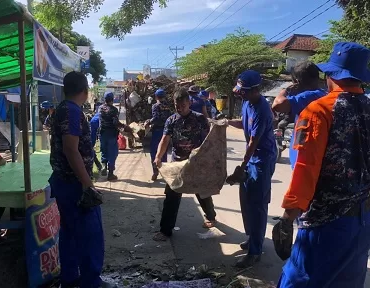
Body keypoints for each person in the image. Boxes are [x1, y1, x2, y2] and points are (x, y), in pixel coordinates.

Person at [274, 42, 370, 288]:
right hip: (362, 221)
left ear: (331, 75)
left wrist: (288, 216)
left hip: (325, 223)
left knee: (298, 281)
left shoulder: (318, 111)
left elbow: (306, 170)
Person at [48, 71, 104, 288]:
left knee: (70, 232)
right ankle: (91, 282)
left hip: (64, 182)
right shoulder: (71, 111)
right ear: (85, 91)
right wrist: (87, 184)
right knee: (90, 234)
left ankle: (70, 278)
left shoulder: (62, 108)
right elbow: (71, 150)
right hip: (74, 185)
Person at [152, 88, 217, 242]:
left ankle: (211, 216)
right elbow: (165, 139)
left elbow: (209, 139)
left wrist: (210, 158)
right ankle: (165, 230)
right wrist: (158, 157)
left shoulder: (200, 119)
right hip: (177, 164)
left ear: (189, 103)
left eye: (182, 104)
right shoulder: (171, 120)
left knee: (202, 192)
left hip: (195, 162)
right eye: (176, 104)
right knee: (171, 196)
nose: (179, 107)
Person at [228, 70, 277, 268]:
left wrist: (242, 166)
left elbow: (253, 142)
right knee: (247, 200)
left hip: (262, 160)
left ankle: (255, 251)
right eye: (240, 92)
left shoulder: (263, 110)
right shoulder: (247, 103)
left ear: (256, 90)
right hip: (252, 159)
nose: (241, 95)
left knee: (257, 205)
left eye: (244, 92)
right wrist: (225, 123)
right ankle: (252, 238)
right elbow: (243, 124)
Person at [272, 60, 326, 169]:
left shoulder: (307, 97)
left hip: (303, 162)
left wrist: (287, 89)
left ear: (296, 82)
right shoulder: (324, 94)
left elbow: (277, 105)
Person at [144, 88, 172, 181]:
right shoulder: (168, 106)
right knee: (164, 151)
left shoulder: (156, 106)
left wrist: (148, 122)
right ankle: (164, 172)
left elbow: (155, 118)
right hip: (166, 131)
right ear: (164, 96)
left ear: (156, 96)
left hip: (157, 131)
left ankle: (155, 171)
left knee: (154, 151)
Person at [99, 92, 127, 181]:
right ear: (112, 99)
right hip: (111, 133)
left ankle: (103, 166)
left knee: (104, 150)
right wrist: (123, 126)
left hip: (102, 133)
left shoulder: (100, 108)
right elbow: (115, 123)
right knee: (112, 153)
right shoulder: (114, 109)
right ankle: (110, 174)